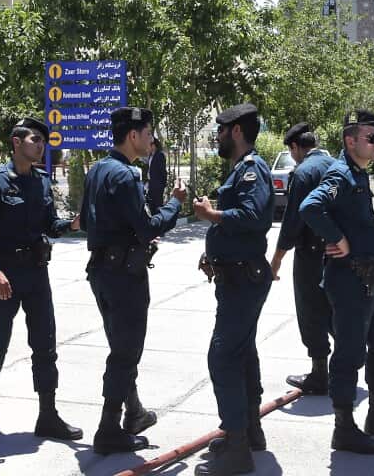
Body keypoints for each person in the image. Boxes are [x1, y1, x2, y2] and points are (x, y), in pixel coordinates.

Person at [301, 109, 374, 457]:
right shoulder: (340, 174)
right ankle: (344, 428)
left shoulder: (358, 174)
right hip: (349, 281)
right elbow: (311, 207)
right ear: (350, 140)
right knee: (349, 354)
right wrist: (339, 238)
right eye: (372, 138)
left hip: (369, 280)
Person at [0, 117, 81, 441]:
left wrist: (70, 226)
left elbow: (48, 225)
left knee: (45, 344)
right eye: (35, 140)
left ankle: (48, 414)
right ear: (16, 142)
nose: (41, 145)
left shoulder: (42, 182)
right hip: (3, 275)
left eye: (43, 141)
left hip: (36, 274)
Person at [81, 107, 186, 454]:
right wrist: (174, 204)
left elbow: (86, 219)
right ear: (133, 136)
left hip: (101, 271)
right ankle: (108, 428)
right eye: (148, 133)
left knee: (120, 346)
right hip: (123, 275)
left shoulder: (97, 169)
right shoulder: (126, 175)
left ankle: (134, 413)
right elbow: (147, 227)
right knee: (125, 352)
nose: (151, 139)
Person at [192, 104, 274, 476]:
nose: (218, 136)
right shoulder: (240, 169)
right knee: (241, 354)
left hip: (244, 279)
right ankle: (247, 431)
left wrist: (213, 217)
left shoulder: (252, 169)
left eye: (222, 130)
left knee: (223, 357)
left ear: (237, 131)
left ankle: (239, 449)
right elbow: (235, 218)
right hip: (235, 277)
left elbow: (255, 218)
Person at [269, 123, 335, 395]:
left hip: (311, 255)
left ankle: (320, 374)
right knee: (337, 309)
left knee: (311, 311)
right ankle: (346, 367)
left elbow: (292, 222)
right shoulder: (335, 165)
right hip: (338, 252)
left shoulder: (303, 172)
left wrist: (277, 259)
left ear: (295, 147)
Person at [145, 135, 168, 215]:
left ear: (154, 145)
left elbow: (163, 171)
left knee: (158, 206)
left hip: (158, 186)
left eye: (149, 145)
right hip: (151, 184)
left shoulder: (160, 155)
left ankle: (159, 224)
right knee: (151, 205)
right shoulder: (151, 156)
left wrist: (163, 185)